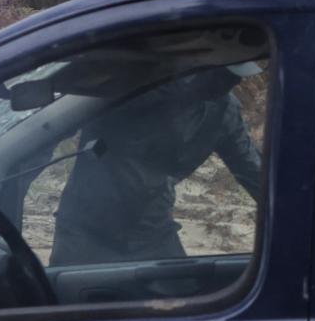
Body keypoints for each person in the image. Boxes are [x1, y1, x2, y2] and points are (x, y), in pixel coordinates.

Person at [52, 67, 265, 266]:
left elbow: (256, 173)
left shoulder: (224, 112)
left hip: (153, 232)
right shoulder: (133, 85)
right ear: (201, 66)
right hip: (85, 231)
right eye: (223, 75)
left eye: (233, 77)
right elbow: (48, 129)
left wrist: (294, 220)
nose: (230, 82)